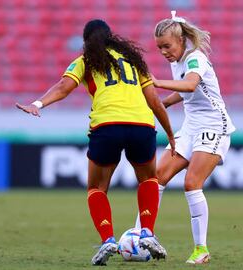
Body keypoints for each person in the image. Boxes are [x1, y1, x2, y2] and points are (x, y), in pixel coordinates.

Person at [16, 19, 175, 266]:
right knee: (148, 179)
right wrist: (171, 134)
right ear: (112, 37)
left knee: (97, 188)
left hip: (107, 126)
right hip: (142, 125)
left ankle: (108, 239)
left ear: (86, 40)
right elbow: (154, 101)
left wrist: (37, 104)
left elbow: (63, 87)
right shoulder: (133, 61)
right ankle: (147, 232)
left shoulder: (86, 60)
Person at [135, 11, 236, 264]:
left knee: (191, 183)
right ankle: (141, 236)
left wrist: (157, 83)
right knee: (156, 177)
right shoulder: (177, 61)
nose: (164, 52)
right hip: (190, 126)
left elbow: (190, 85)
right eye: (159, 48)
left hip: (214, 125)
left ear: (181, 41)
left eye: (167, 46)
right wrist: (163, 104)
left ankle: (201, 249)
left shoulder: (195, 59)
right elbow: (185, 93)